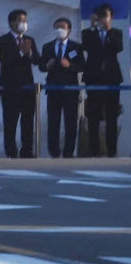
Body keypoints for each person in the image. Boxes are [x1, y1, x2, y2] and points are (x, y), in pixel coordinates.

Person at [81, 3, 123, 157]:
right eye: (101, 16)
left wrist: (108, 30)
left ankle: (112, 151)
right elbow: (86, 46)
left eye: (107, 15)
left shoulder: (116, 33)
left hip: (112, 79)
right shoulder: (88, 33)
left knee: (112, 116)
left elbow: (117, 47)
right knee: (93, 116)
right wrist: (94, 27)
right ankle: (94, 150)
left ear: (111, 17)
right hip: (93, 78)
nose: (104, 18)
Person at [0, 9, 39, 158]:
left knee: (27, 122)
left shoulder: (29, 40)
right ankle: (11, 152)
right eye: (20, 20)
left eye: (25, 20)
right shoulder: (2, 41)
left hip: (27, 87)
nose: (23, 24)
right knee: (10, 123)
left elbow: (37, 61)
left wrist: (30, 53)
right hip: (10, 88)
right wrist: (21, 52)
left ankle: (27, 150)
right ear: (11, 22)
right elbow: (5, 60)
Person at [39, 17, 83, 158]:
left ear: (69, 30)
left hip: (70, 90)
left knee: (70, 122)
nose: (60, 30)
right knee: (53, 122)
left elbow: (82, 65)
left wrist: (69, 65)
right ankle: (54, 152)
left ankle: (69, 152)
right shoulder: (48, 46)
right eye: (57, 27)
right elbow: (41, 66)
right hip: (53, 89)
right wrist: (47, 66)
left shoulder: (76, 47)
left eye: (62, 27)